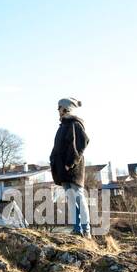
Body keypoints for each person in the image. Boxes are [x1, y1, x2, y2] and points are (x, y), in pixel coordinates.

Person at [50, 97, 90, 237]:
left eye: (60, 108)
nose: (58, 111)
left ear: (67, 109)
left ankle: (86, 230)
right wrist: (53, 161)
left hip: (73, 170)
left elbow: (82, 144)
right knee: (71, 200)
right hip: (63, 171)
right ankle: (77, 228)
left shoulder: (75, 124)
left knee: (79, 198)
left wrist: (70, 163)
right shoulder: (62, 127)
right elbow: (57, 148)